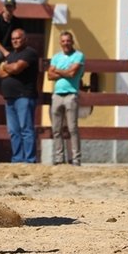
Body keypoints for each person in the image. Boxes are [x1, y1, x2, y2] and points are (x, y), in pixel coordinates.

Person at [0, 28, 39, 163]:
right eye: (13, 38)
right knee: (14, 131)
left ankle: (29, 160)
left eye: (18, 38)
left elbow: (15, 68)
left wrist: (7, 67)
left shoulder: (30, 53)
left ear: (25, 39)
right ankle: (17, 159)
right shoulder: (11, 55)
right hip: (10, 98)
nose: (15, 41)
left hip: (24, 96)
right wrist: (10, 68)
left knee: (26, 129)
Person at [47, 31, 85, 166]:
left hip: (71, 94)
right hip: (57, 94)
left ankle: (76, 158)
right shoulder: (56, 57)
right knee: (56, 129)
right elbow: (49, 76)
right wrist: (65, 72)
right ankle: (59, 158)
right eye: (63, 41)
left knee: (72, 128)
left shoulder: (78, 56)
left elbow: (72, 73)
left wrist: (58, 70)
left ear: (72, 41)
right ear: (60, 43)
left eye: (68, 41)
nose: (66, 43)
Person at [0, 0, 22, 92]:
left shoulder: (17, 22)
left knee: (18, 59)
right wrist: (5, 52)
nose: (8, 9)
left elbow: (20, 37)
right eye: (7, 6)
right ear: (3, 7)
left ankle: (14, 85)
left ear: (14, 8)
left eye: (10, 6)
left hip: (12, 49)